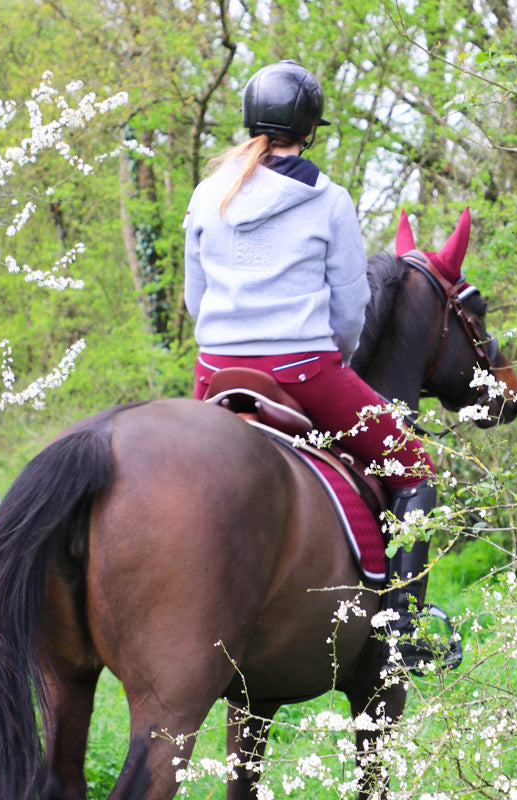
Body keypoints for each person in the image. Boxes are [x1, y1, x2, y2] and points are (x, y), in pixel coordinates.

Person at [183, 60, 439, 673]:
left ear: (251, 121)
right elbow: (351, 307)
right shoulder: (328, 200)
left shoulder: (206, 193)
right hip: (302, 369)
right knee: (416, 466)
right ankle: (400, 629)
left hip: (213, 373)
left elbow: (196, 297)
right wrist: (340, 362)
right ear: (310, 131)